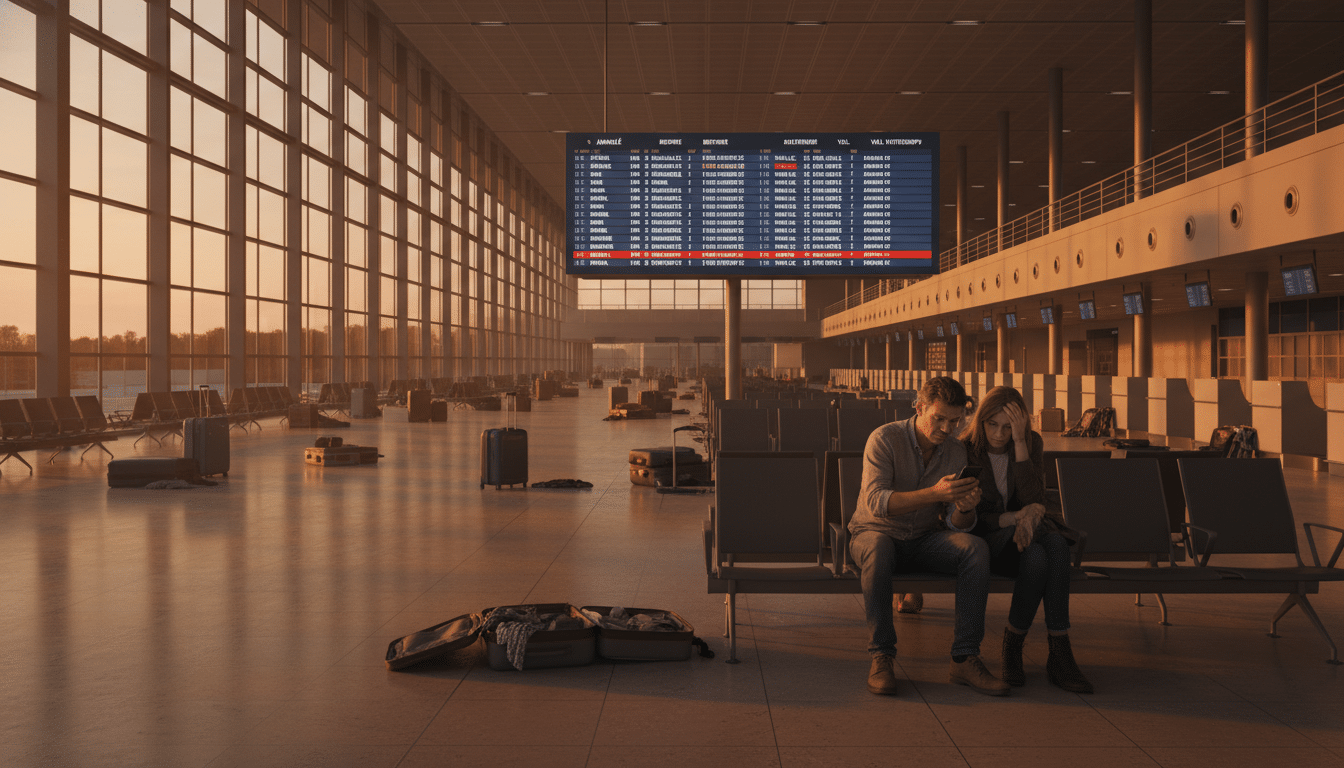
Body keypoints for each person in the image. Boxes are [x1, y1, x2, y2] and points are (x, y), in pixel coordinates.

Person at [849, 376, 1008, 697]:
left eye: (955, 420)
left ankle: (965, 657)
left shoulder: (955, 452)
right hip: (875, 533)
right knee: (879, 548)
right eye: (939, 419)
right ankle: (882, 655)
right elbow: (876, 503)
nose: (947, 428)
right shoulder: (885, 439)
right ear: (919, 407)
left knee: (974, 548)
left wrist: (964, 508)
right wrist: (934, 492)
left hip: (923, 538)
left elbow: (955, 523)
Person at [961, 385, 1093, 693]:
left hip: (1028, 534)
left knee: (1054, 547)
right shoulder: (965, 447)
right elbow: (970, 514)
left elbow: (1035, 498)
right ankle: (1022, 647)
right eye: (992, 424)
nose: (998, 434)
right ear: (981, 421)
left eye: (1008, 428)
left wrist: (1020, 442)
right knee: (1039, 553)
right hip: (988, 538)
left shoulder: (1029, 442)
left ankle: (1053, 650)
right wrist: (1011, 518)